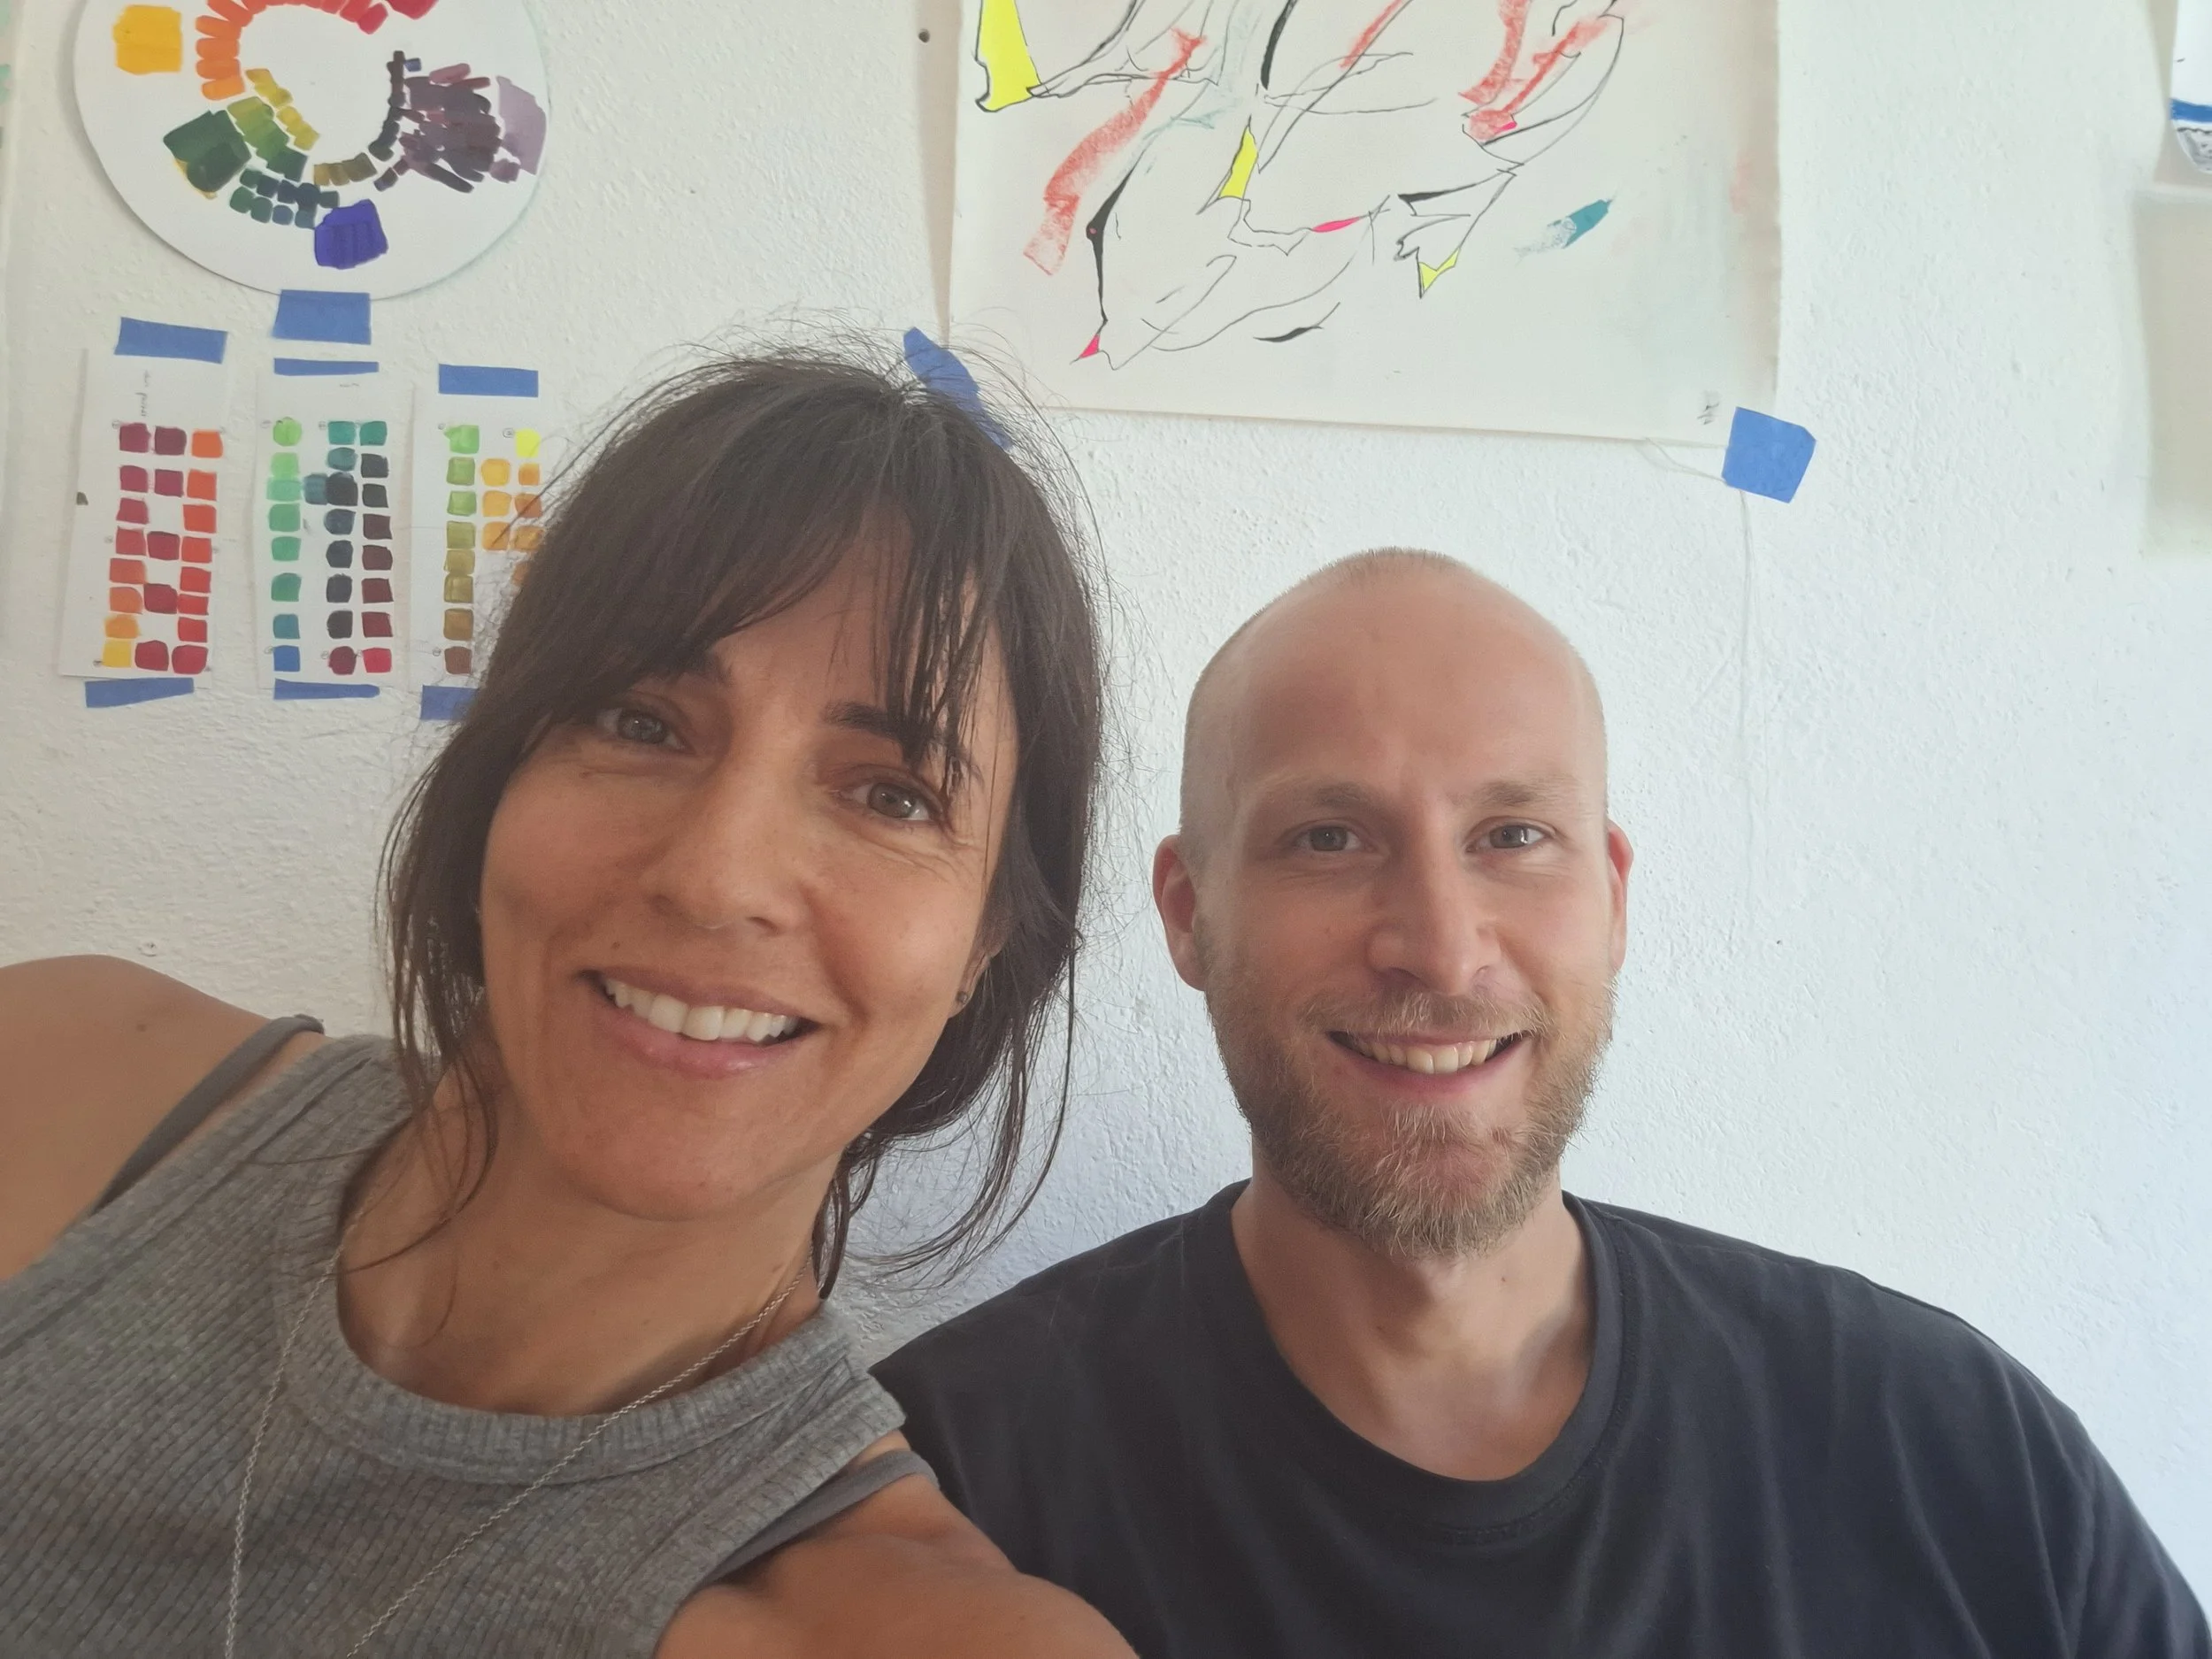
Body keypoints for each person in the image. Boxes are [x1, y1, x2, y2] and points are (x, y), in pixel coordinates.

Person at [0, 349, 1133, 1657]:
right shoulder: (65, 1076)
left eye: (891, 794)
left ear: (989, 939)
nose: (716, 878)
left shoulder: (902, 1631)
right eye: (641, 722)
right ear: (498, 773)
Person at [879, 549, 2210, 1658]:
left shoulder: (1947, 1446)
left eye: (1513, 836)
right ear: (1188, 911)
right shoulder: (944, 1500)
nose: (1442, 949)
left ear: (1612, 896)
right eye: (1329, 838)